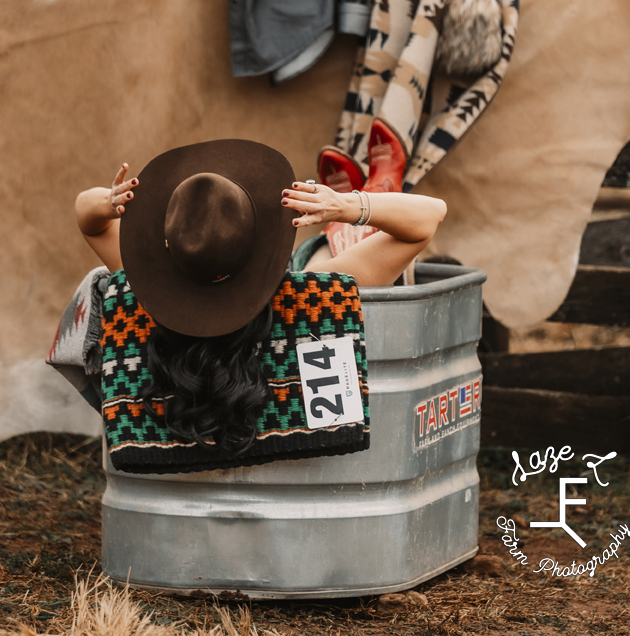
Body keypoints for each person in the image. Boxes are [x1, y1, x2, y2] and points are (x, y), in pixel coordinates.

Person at [72, 139, 446, 468]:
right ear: (260, 245)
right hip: (303, 276)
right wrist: (346, 205)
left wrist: (109, 202)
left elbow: (86, 218)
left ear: (168, 247)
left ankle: (342, 224)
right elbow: (429, 217)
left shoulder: (141, 293)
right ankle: (346, 220)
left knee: (316, 261)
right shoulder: (312, 298)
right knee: (319, 258)